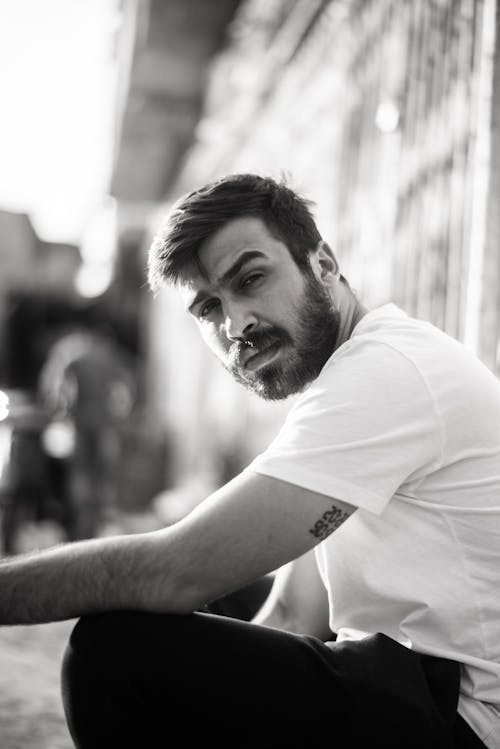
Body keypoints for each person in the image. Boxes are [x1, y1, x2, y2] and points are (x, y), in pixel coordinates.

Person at [0, 174, 498, 748]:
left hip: (466, 722)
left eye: (252, 279)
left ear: (324, 265)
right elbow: (292, 613)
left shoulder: (387, 370)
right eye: (209, 307)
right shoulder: (343, 383)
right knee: (219, 603)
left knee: (114, 654)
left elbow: (176, 571)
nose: (237, 325)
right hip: (409, 688)